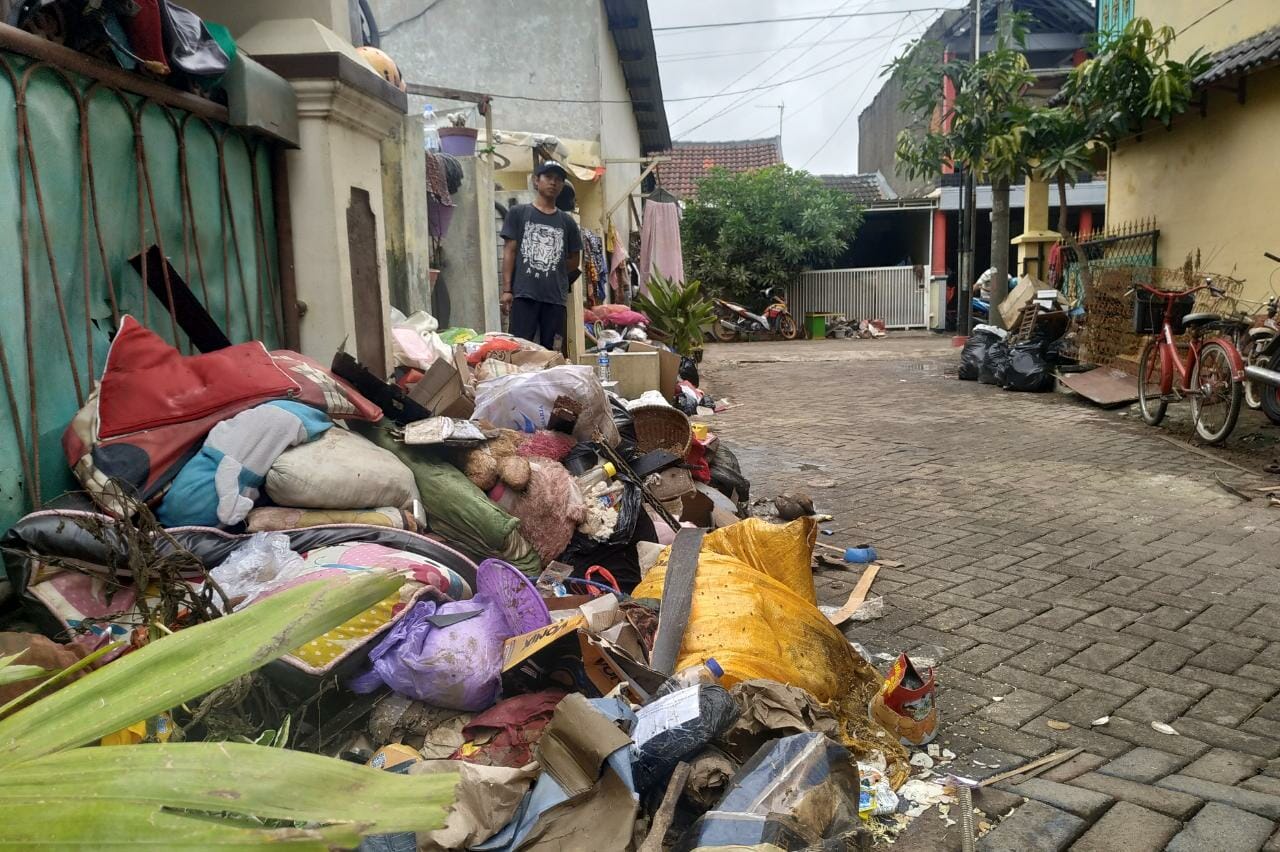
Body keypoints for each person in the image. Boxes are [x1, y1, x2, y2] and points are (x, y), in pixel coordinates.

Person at [500, 161, 582, 351]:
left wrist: (553, 268)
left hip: (555, 299)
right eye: (548, 178)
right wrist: (507, 290)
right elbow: (509, 251)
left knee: (553, 353)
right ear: (536, 181)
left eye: (559, 180)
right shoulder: (518, 213)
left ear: (562, 186)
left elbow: (574, 260)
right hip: (524, 295)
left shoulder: (567, 222)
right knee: (519, 350)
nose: (553, 183)